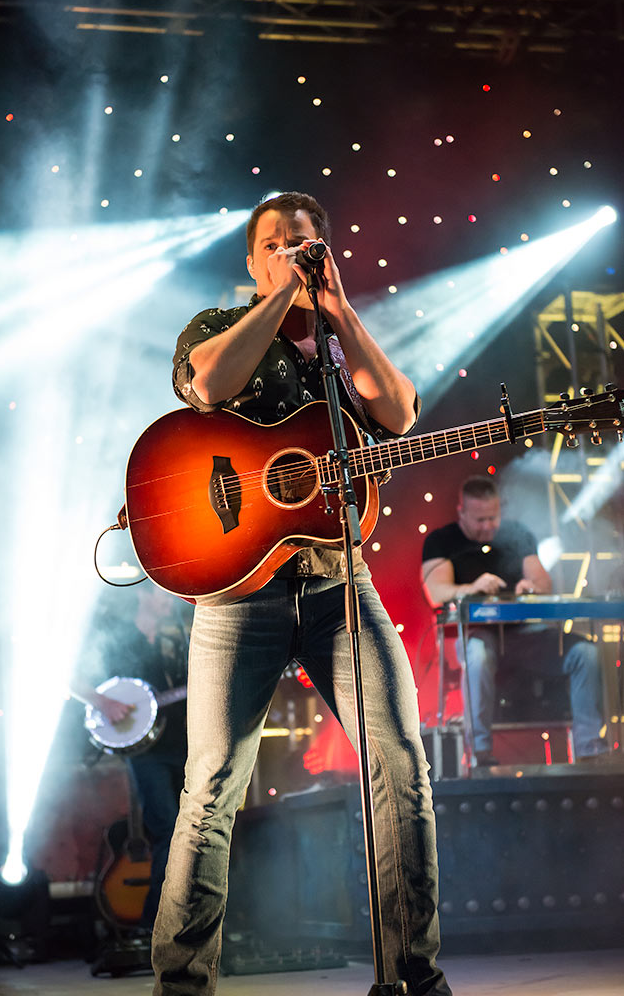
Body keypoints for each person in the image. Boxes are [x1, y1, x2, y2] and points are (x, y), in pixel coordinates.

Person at [152, 192, 452, 996]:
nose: (290, 250)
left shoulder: (333, 347)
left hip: (336, 584)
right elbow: (207, 388)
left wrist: (341, 314)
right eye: (274, 245)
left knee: (401, 765)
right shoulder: (214, 326)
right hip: (236, 593)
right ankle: (181, 984)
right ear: (251, 261)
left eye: (304, 241)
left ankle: (412, 978)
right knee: (211, 785)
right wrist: (283, 296)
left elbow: (397, 411)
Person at [421, 475, 608, 767]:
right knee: (479, 654)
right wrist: (472, 588)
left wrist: (530, 587)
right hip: (474, 637)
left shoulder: (516, 534)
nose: (487, 526)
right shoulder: (441, 541)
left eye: (492, 518)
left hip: (523, 638)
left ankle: (591, 750)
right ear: (462, 513)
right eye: (480, 519)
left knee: (586, 653)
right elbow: (436, 593)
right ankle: (480, 754)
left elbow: (542, 582)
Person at [71, 584, 190, 932]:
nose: (170, 601)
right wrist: (103, 702)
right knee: (167, 829)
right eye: (163, 595)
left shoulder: (174, 643)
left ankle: (184, 919)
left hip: (181, 747)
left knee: (191, 831)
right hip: (146, 754)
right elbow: (71, 678)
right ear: (143, 596)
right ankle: (155, 923)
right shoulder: (117, 640)